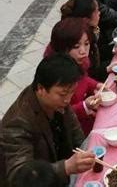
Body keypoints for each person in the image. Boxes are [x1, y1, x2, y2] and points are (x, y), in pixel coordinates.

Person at [0, 54, 95, 184]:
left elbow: (76, 135)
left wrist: (86, 153)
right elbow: (20, 175)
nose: (68, 99)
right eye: (63, 94)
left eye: (72, 91)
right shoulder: (17, 122)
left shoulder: (59, 101)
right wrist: (65, 167)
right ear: (40, 89)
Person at [47, 18, 101, 135]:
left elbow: (83, 79)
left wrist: (96, 85)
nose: (83, 51)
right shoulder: (57, 75)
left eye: (86, 44)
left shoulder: (80, 62)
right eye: (76, 46)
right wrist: (84, 107)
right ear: (63, 48)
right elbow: (59, 112)